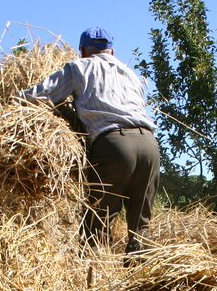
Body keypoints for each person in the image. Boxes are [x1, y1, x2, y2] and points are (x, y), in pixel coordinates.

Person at [22, 27, 160, 254]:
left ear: (83, 51)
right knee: (140, 226)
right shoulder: (130, 74)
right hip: (149, 145)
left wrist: (8, 98)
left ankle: (94, 281)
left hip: (114, 145)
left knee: (98, 223)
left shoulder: (79, 67)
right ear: (112, 52)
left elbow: (40, 95)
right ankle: (141, 280)